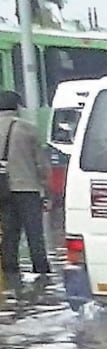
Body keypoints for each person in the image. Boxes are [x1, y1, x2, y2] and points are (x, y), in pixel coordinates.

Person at [0, 90, 49, 275]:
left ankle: (10, 272)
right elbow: (41, 165)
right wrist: (46, 188)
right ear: (17, 107)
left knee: (9, 234)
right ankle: (41, 272)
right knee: (34, 233)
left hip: (2, 190)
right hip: (27, 189)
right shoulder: (28, 129)